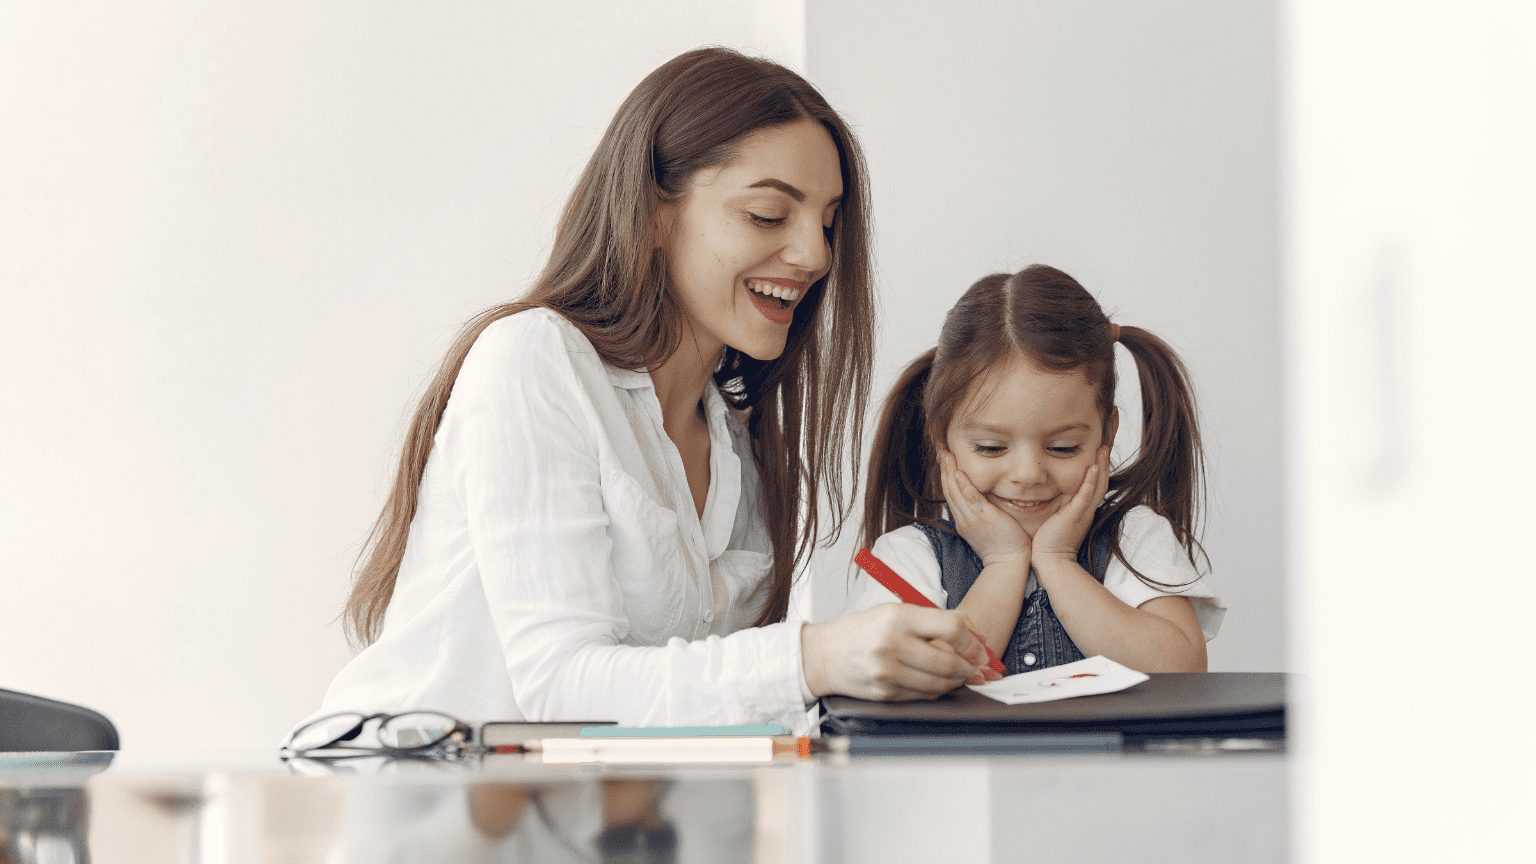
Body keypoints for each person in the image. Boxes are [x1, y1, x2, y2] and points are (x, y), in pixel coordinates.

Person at [307, 48, 998, 736]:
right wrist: (815, 658)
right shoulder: (536, 358)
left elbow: (693, 702)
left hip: (567, 829)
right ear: (652, 215)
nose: (815, 256)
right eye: (767, 215)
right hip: (414, 812)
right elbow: (561, 684)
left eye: (826, 222)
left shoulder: (740, 446)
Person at [850, 265, 1225, 674]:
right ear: (941, 439)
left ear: (1107, 434)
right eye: (991, 447)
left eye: (1062, 447)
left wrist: (1058, 561)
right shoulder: (899, 557)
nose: (1028, 474)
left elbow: (1183, 670)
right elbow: (914, 674)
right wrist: (1004, 562)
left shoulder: (1134, 537)